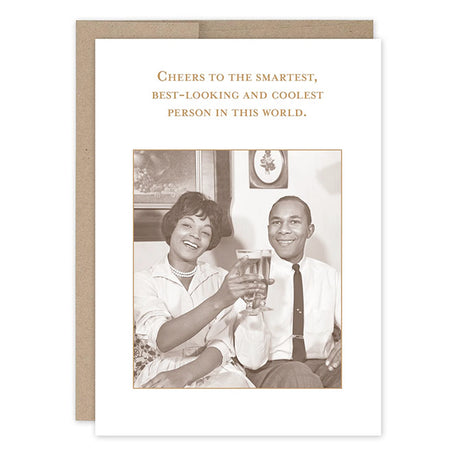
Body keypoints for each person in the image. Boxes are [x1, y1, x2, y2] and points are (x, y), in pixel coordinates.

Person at [134, 191, 264, 388]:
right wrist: (219, 300)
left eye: (205, 232)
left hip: (214, 370)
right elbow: (163, 340)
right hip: (164, 370)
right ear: (172, 227)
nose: (195, 235)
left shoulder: (222, 278)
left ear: (210, 242)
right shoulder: (143, 280)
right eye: (187, 225)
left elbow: (222, 344)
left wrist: (253, 307)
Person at [234, 196, 341, 388]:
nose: (283, 230)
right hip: (270, 368)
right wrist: (253, 310)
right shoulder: (252, 273)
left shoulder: (329, 275)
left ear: (309, 230)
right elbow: (251, 361)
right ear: (268, 230)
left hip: (322, 365)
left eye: (294, 222)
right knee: (299, 376)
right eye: (276, 222)